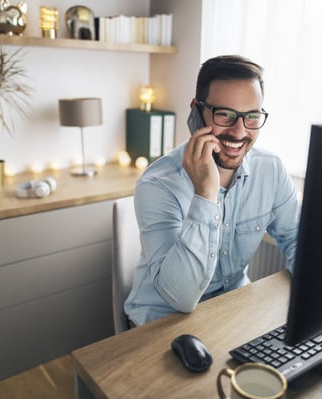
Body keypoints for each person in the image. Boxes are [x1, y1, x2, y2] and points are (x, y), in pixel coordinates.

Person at [124, 55, 300, 326]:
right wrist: (205, 192)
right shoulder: (158, 184)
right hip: (161, 321)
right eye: (225, 115)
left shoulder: (271, 170)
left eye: (251, 116)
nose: (239, 131)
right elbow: (180, 299)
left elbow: (298, 238)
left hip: (232, 309)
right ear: (196, 112)